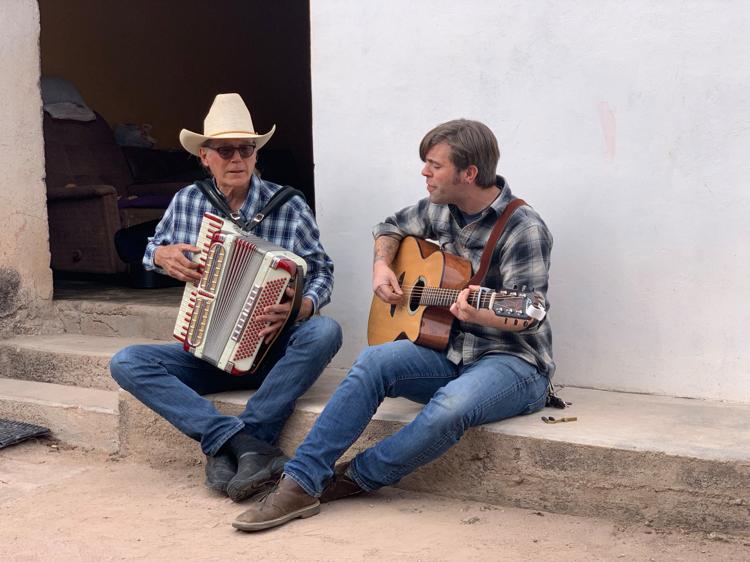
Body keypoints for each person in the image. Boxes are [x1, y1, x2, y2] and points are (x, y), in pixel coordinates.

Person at [232, 118, 554, 531]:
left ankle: (354, 478)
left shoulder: (524, 228)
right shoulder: (441, 209)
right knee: (372, 362)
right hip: (450, 350)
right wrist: (383, 265)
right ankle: (298, 483)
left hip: (514, 363)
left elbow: (528, 316)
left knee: (450, 406)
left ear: (468, 173)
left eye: (434, 165)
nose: (424, 173)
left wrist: (481, 313)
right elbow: (388, 226)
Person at [109, 93, 342, 503]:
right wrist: (160, 255)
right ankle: (236, 442)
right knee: (128, 361)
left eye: (246, 149)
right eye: (225, 150)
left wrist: (302, 305)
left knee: (325, 331)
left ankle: (249, 437)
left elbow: (322, 271)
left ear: (256, 155)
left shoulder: (288, 205)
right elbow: (152, 248)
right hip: (208, 353)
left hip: (275, 354)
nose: (237, 158)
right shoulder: (189, 201)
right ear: (205, 156)